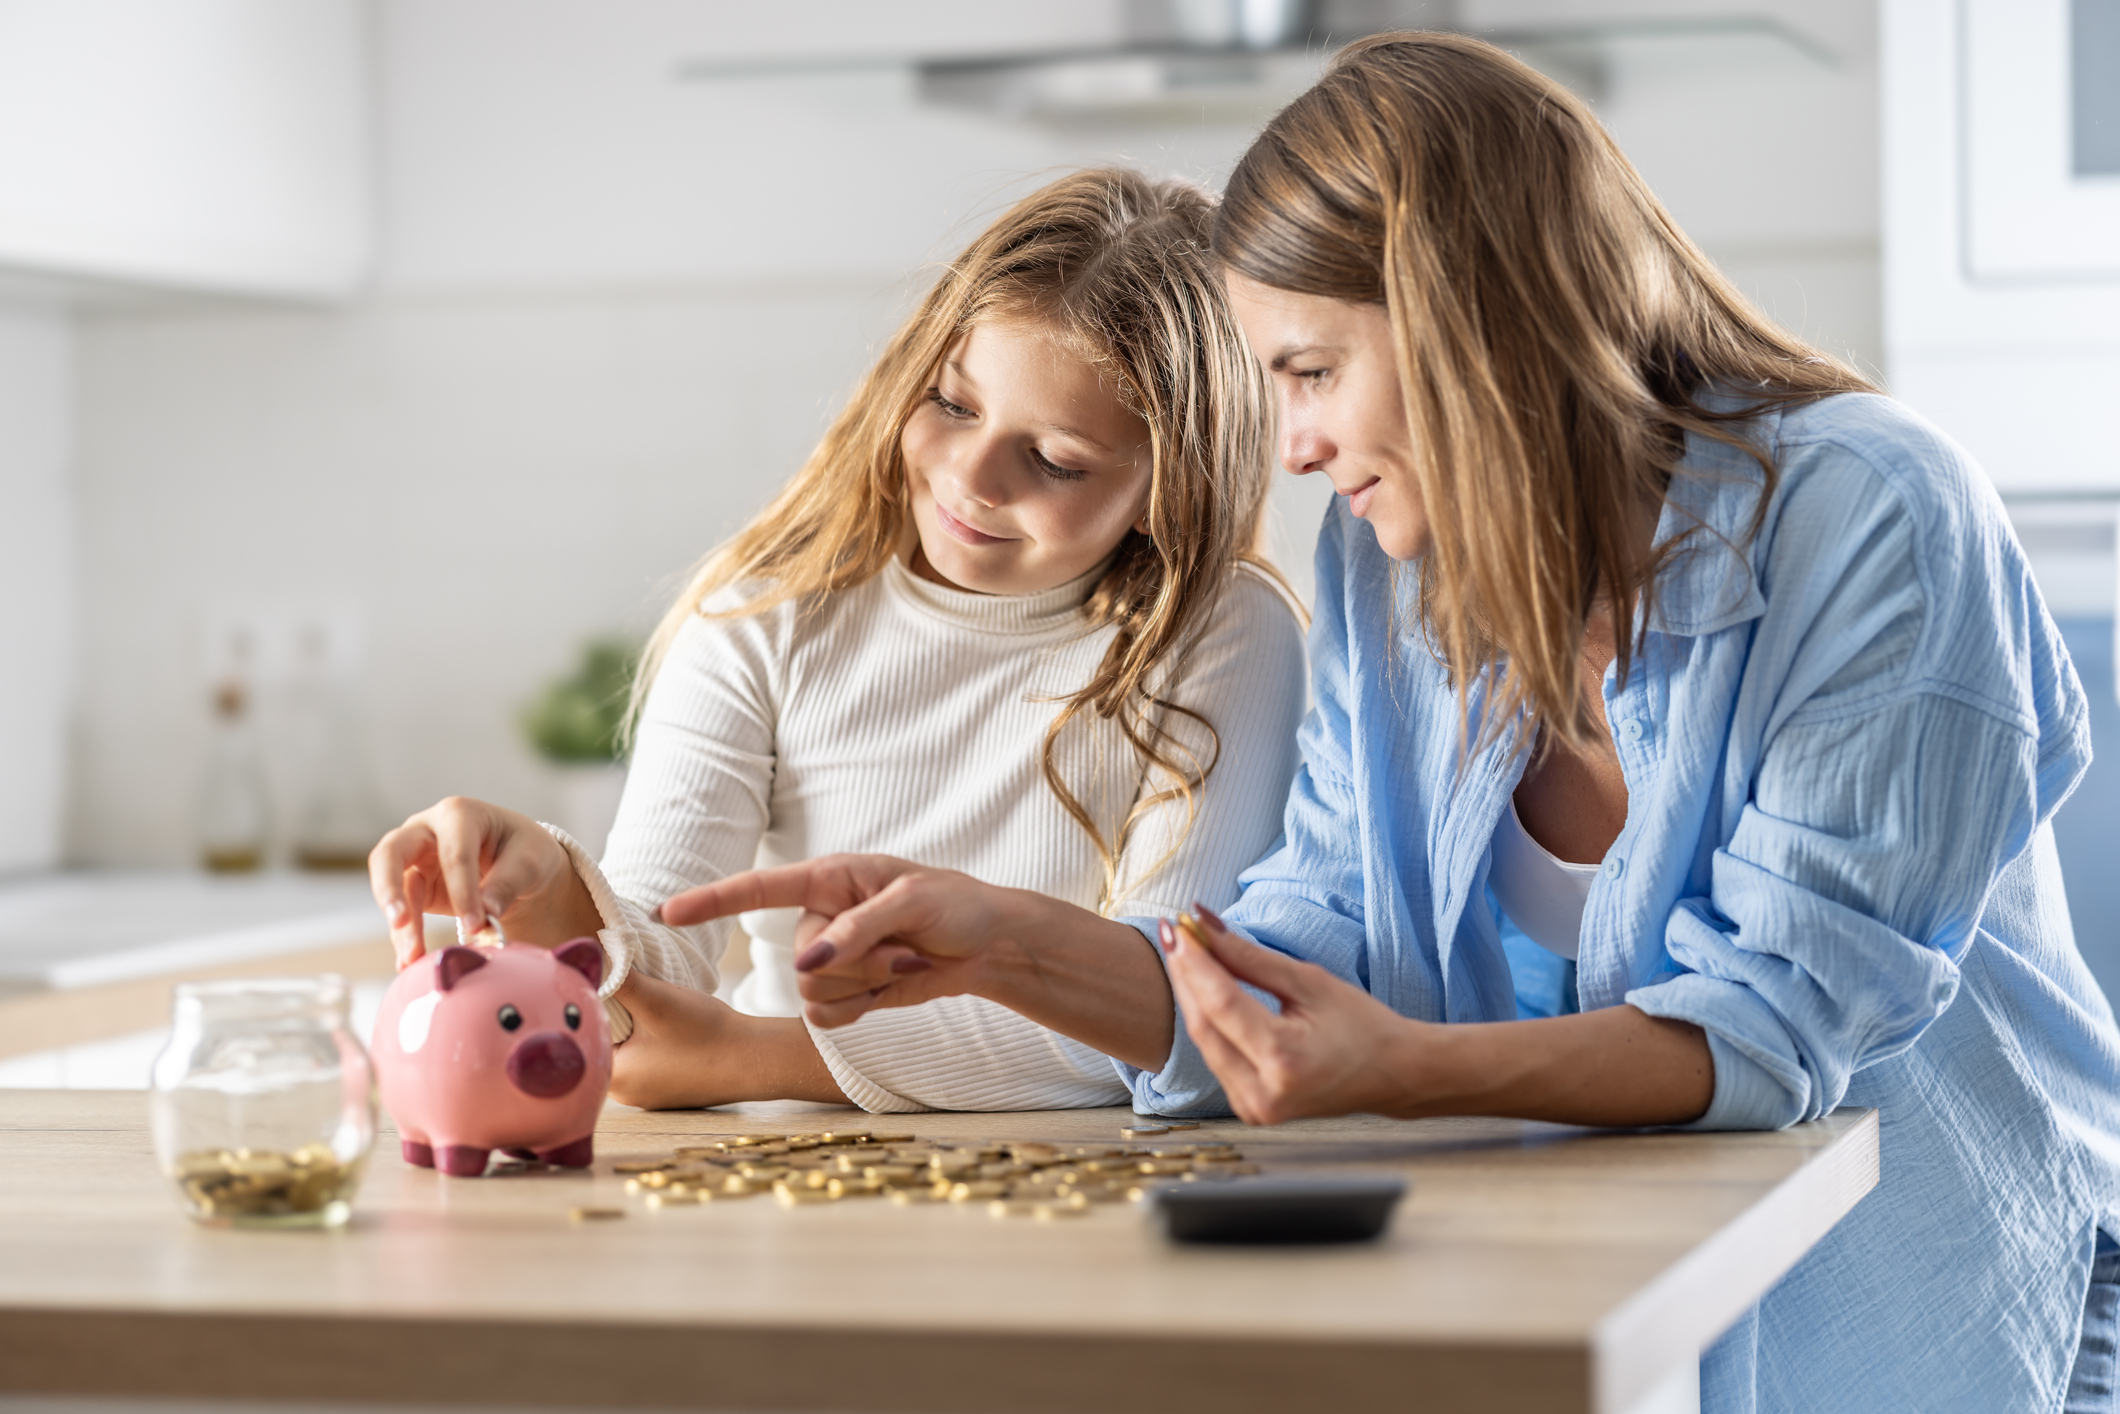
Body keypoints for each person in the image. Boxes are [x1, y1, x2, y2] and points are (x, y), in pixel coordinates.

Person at [665, 34, 2120, 1414]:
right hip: (1647, 1309)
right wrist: (1011, 942)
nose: (1289, 445)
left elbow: (1778, 1024)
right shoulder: (1389, 564)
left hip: (1965, 1309)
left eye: (1309, 371)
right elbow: (1317, 932)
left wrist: (1401, 1068)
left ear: (1472, 323)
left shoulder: (1873, 512)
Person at [366, 168, 1305, 1113]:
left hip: (1089, 1187)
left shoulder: (1220, 631)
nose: (972, 477)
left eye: (1056, 460)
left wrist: (749, 1058)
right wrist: (549, 892)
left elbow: (1174, 1008)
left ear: (1168, 488)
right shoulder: (762, 622)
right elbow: (658, 969)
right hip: (788, 1186)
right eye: (951, 403)